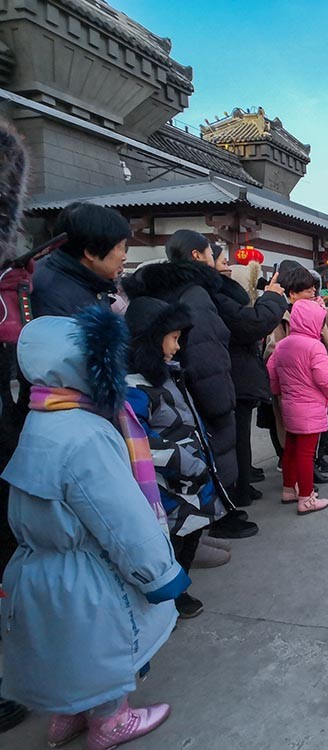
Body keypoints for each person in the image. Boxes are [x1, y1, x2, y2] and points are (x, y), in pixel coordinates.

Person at [2, 308, 189, 749]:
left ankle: (69, 713)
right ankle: (110, 720)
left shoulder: (39, 417)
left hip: (41, 559)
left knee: (64, 646)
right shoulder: (86, 432)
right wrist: (159, 571)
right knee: (105, 643)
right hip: (89, 564)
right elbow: (118, 515)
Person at [122, 230, 259, 539]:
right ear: (197, 256)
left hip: (179, 382)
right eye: (215, 256)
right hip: (202, 387)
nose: (218, 263)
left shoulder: (161, 288)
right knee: (210, 453)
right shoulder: (196, 293)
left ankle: (199, 524)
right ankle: (214, 519)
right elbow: (207, 349)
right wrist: (221, 399)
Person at [125, 297, 223, 618]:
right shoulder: (134, 388)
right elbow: (140, 442)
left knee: (191, 532)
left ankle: (179, 589)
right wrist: (187, 463)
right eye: (174, 338)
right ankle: (171, 596)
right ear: (152, 339)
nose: (178, 347)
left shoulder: (167, 375)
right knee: (171, 539)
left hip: (190, 477)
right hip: (167, 483)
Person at [212, 246, 287, 508]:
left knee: (240, 438)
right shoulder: (222, 299)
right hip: (234, 375)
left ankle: (243, 485)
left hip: (237, 374)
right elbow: (253, 325)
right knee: (235, 439)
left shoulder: (220, 297)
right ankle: (238, 492)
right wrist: (272, 297)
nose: (227, 266)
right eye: (222, 260)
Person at [266, 299, 328, 515]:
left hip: (289, 404)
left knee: (291, 448)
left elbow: (271, 371)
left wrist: (279, 391)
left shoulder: (283, 344)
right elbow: (325, 378)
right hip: (311, 407)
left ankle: (289, 488)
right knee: (307, 454)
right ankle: (306, 497)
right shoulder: (314, 346)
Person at [29, 202, 128, 318]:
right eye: (120, 247)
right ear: (91, 252)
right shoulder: (50, 292)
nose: (124, 257)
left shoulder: (90, 280)